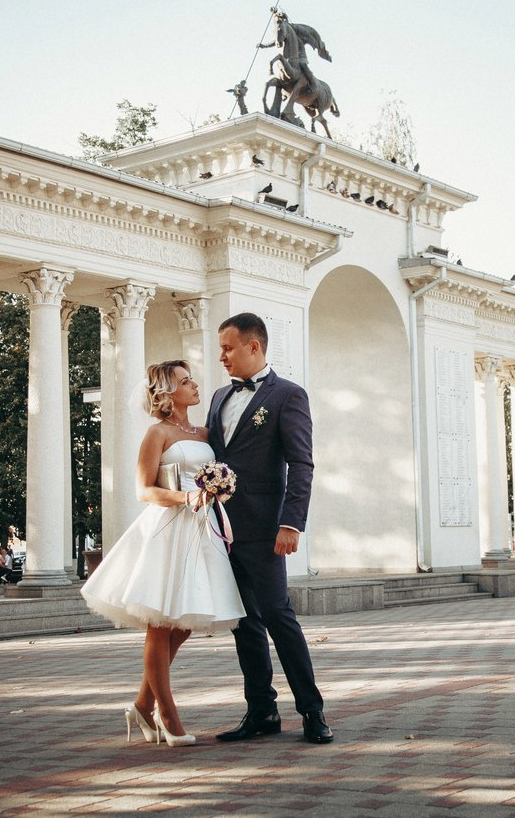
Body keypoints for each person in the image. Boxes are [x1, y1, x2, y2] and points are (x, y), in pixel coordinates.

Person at [81, 360, 246, 747]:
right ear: (167, 394)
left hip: (202, 531)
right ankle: (167, 713)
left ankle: (142, 704)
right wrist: (186, 496)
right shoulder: (158, 433)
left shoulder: (206, 432)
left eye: (192, 379)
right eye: (185, 382)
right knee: (161, 621)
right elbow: (144, 490)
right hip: (168, 528)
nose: (195, 385)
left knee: (185, 621)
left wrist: (218, 490)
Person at [206, 313, 332, 745]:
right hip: (222, 530)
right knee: (244, 623)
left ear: (253, 347)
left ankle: (312, 712)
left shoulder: (288, 396)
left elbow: (302, 463)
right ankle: (261, 712)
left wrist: (291, 523)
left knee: (279, 616)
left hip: (266, 529)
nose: (221, 355)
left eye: (227, 347)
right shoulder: (220, 396)